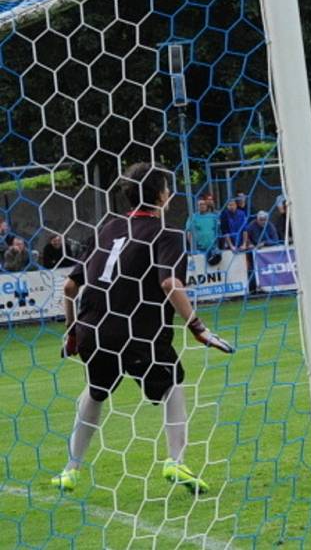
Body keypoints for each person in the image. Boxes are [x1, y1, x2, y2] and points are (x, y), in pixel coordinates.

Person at [50, 162, 234, 495]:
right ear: (162, 195)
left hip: (94, 331)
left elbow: (68, 288)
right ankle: (176, 460)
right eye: (167, 186)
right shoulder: (166, 233)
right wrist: (198, 327)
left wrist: (72, 330)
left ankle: (71, 469)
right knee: (173, 384)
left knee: (95, 390)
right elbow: (170, 283)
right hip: (139, 334)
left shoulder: (107, 228)